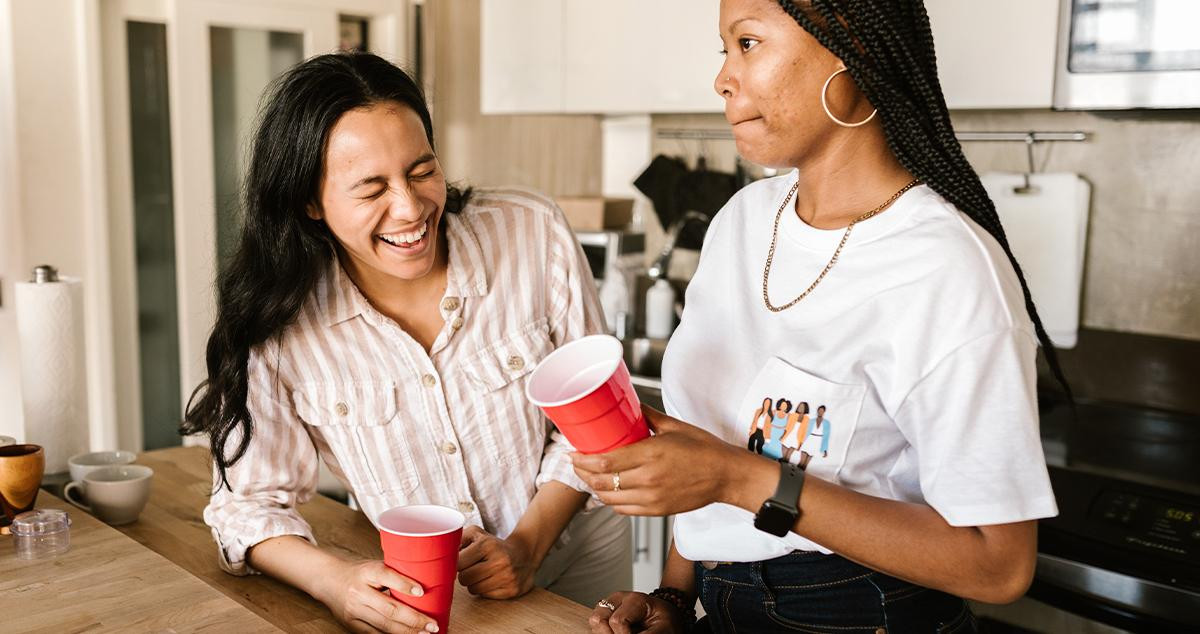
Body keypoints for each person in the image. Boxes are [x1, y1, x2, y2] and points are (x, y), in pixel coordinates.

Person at [575, 1, 1066, 632]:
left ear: (850, 53)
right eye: (723, 49)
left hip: (859, 609)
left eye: (748, 44)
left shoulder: (945, 269)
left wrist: (738, 478)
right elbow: (720, 446)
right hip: (720, 603)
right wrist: (674, 595)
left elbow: (999, 566)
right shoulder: (743, 221)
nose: (723, 78)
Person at [181, 52, 630, 634]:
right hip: (435, 599)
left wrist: (527, 543)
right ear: (311, 202)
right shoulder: (279, 319)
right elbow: (247, 506)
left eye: (421, 170)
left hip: (578, 561)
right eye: (371, 189)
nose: (412, 207)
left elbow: (593, 426)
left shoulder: (530, 231)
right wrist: (334, 581)